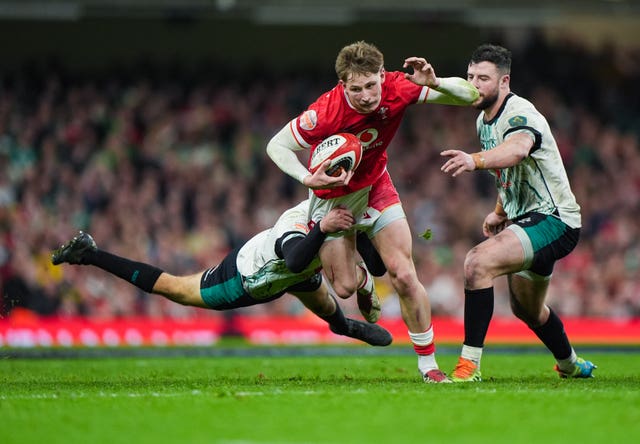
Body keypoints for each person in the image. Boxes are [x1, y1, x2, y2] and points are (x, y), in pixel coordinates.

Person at [266, 40, 479, 382]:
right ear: (342, 86)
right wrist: (307, 176)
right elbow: (276, 145)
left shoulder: (398, 86)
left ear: (382, 75)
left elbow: (470, 96)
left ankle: (429, 366)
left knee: (405, 275)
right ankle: (364, 278)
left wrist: (435, 82)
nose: (366, 95)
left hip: (376, 187)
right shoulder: (326, 111)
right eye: (356, 89)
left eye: (370, 85)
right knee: (345, 288)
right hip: (333, 198)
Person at [430, 43, 596, 381]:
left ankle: (468, 366)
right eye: (471, 76)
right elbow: (508, 174)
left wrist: (473, 160)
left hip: (555, 219)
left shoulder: (521, 113)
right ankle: (570, 364)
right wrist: (499, 211)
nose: (474, 85)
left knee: (477, 263)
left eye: (484, 79)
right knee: (527, 309)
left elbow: (518, 150)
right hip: (526, 219)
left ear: (504, 81)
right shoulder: (482, 121)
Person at [51, 200, 392, 347]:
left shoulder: (341, 212)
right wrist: (324, 229)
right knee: (175, 288)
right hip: (251, 275)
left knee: (329, 309)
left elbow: (378, 267)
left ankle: (347, 328)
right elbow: (294, 262)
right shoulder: (297, 224)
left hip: (296, 271)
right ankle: (90, 254)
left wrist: (362, 235)